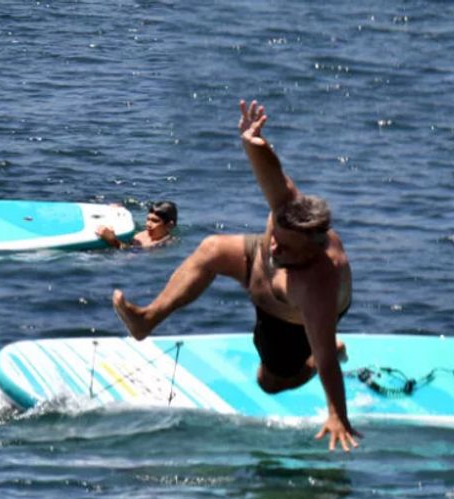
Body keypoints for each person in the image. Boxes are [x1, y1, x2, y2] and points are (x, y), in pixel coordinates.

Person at [112, 100, 360, 452]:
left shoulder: (318, 286)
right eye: (275, 236)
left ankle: (323, 356)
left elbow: (323, 355)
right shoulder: (288, 211)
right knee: (213, 248)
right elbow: (273, 172)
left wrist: (338, 415)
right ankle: (146, 320)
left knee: (270, 382)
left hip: (287, 315)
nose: (275, 248)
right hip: (258, 274)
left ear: (312, 249)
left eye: (287, 248)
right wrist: (251, 141)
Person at [97, 201, 177, 249]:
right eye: (148, 219)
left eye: (155, 221)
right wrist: (118, 212)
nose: (148, 224)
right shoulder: (148, 233)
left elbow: (130, 254)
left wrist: (112, 240)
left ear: (169, 225)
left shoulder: (161, 244)